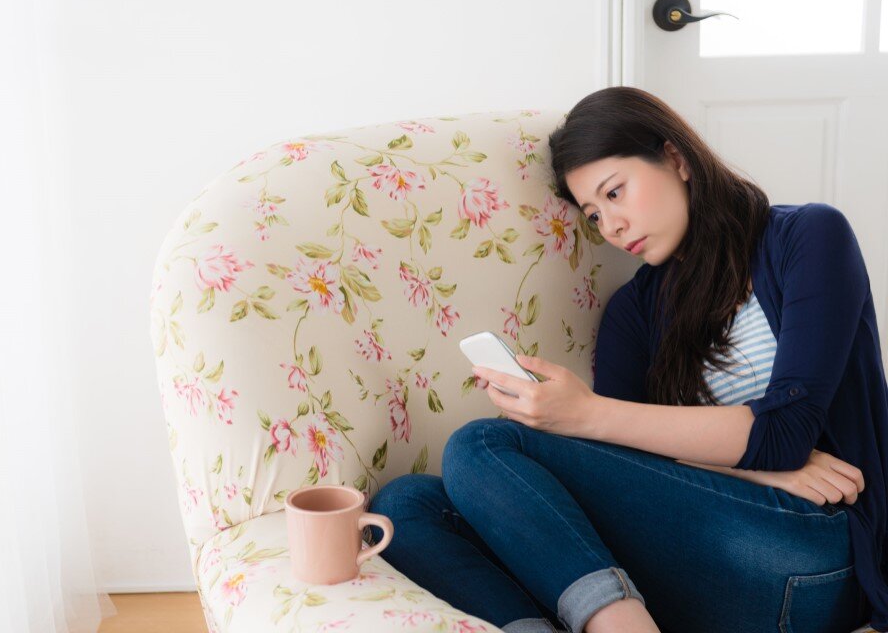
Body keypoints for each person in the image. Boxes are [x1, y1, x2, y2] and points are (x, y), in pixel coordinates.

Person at [366, 86, 886, 633]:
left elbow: (785, 432)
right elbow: (635, 470)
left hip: (814, 552)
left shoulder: (808, 237)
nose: (609, 226)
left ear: (677, 159)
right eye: (593, 214)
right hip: (705, 555)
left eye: (615, 193)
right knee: (406, 507)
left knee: (482, 443)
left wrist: (586, 414)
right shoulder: (633, 313)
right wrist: (766, 477)